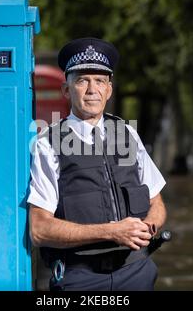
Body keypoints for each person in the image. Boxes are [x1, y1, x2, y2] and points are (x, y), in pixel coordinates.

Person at [28, 37, 167, 291]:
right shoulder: (48, 144)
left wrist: (146, 229)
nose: (93, 89)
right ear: (67, 91)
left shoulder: (128, 134)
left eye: (100, 81)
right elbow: (39, 230)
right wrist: (112, 232)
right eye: (82, 80)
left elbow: (156, 202)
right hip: (81, 278)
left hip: (136, 272)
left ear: (109, 90)